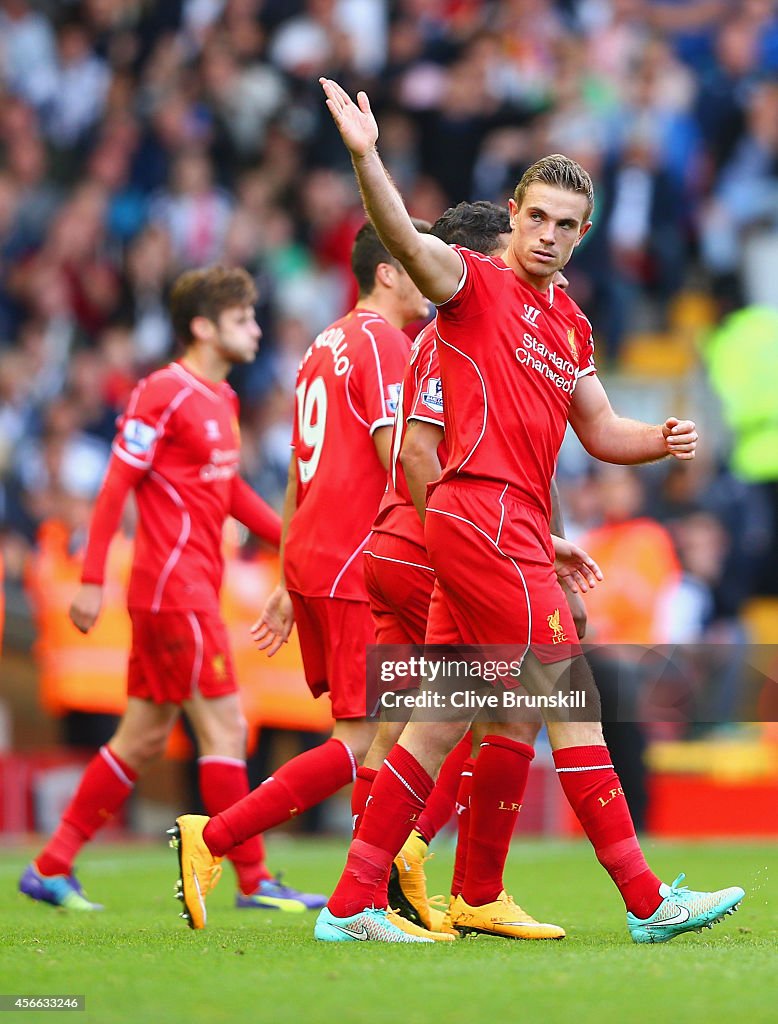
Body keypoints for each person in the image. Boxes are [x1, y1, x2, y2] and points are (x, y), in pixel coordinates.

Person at [308, 77, 744, 944]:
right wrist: (367, 157)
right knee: (570, 697)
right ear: (512, 214)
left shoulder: (571, 325)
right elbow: (403, 235)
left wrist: (662, 436)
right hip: (483, 519)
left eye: (565, 225)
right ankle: (647, 900)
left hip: (505, 526)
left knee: (436, 724)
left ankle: (351, 905)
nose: (546, 235)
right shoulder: (469, 283)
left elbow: (603, 430)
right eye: (536, 217)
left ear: (583, 237)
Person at [19, 266, 323, 918]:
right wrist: (93, 578)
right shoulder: (163, 392)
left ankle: (51, 867)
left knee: (143, 737)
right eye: (243, 319)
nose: (256, 329)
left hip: (190, 588)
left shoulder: (223, 398)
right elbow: (114, 487)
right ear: (203, 326)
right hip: (171, 589)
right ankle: (253, 880)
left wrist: (290, 540)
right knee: (226, 725)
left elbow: (230, 490)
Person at [169, 224, 443, 938]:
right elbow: (397, 455)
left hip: (318, 557)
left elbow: (299, 468)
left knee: (383, 729)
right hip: (360, 558)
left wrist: (291, 574)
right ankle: (226, 839)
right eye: (415, 263)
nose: (428, 275)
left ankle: (373, 894)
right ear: (386, 273)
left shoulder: (323, 344)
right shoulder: (385, 343)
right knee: (371, 741)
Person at [361, 200, 597, 940]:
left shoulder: (524, 328)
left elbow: (522, 451)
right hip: (435, 542)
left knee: (434, 719)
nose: (522, 259)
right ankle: (387, 872)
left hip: (441, 539)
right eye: (508, 247)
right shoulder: (455, 326)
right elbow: (422, 456)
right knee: (536, 700)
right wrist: (473, 547)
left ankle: (381, 883)